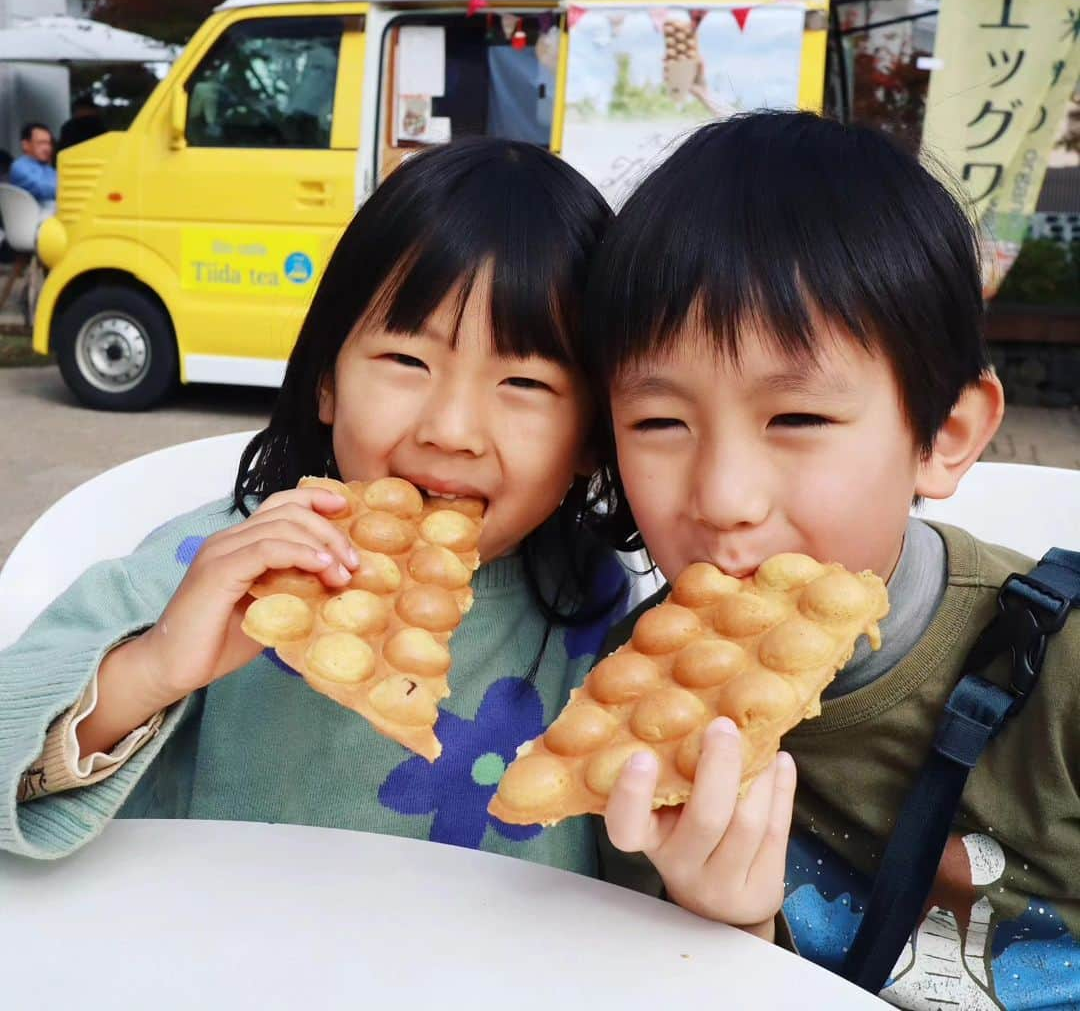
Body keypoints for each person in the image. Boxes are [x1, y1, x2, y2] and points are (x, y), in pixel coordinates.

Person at [0, 138, 630, 874]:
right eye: (406, 361)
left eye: (524, 384)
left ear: (594, 430)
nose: (451, 431)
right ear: (327, 382)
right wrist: (154, 666)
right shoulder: (209, 567)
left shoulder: (607, 616)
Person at [585, 111, 1080, 1006]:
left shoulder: (1065, 671)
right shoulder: (629, 709)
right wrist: (723, 936)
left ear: (946, 433)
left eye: (798, 419)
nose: (724, 496)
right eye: (659, 423)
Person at [8, 123, 57, 204]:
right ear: (25, 145)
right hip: (32, 215)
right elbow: (41, 189)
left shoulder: (48, 169)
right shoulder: (19, 167)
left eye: (49, 143)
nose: (47, 148)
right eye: (41, 143)